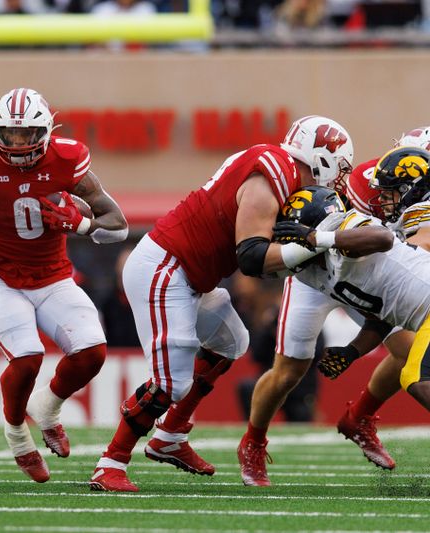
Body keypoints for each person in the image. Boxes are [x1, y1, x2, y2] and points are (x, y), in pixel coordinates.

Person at [89, 115, 354, 492]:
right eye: (338, 168)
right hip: (166, 266)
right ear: (322, 158)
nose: (338, 179)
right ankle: (110, 462)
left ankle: (170, 435)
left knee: (232, 341)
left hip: (190, 276)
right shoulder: (274, 172)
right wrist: (315, 244)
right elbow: (250, 257)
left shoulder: (278, 169)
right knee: (170, 383)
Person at [0, 88, 128, 482]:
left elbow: (119, 226)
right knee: (28, 357)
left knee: (93, 352)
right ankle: (17, 434)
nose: (16, 143)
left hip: (53, 275)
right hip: (2, 276)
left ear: (46, 131)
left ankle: (47, 406)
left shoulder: (69, 158)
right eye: (9, 134)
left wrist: (80, 225)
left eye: (26, 134)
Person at [236, 132, 430, 486]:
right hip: (328, 264)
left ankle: (360, 417)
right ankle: (253, 441)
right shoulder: (371, 179)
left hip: (367, 273)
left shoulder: (414, 201)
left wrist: (355, 350)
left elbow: (393, 258)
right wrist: (311, 240)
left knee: (409, 354)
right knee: (288, 371)